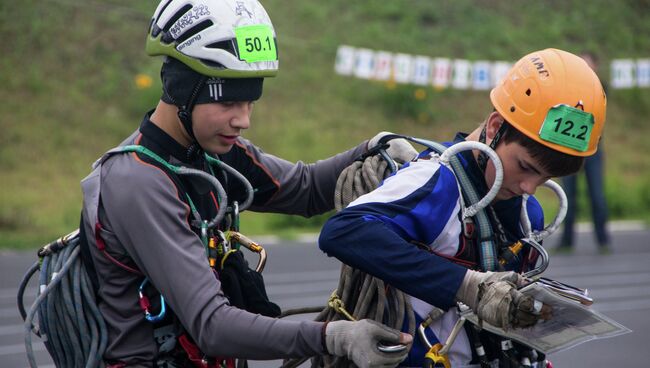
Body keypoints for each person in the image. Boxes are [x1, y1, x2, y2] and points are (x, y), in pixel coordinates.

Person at [79, 0, 414, 366]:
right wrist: (334, 336)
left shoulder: (211, 152)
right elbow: (213, 325)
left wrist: (370, 149)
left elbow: (304, 189)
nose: (243, 120)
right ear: (182, 90)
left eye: (251, 102)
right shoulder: (138, 183)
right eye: (230, 103)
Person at [319, 48, 607, 367]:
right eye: (525, 166)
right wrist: (467, 287)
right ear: (495, 128)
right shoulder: (437, 182)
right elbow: (343, 230)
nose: (529, 187)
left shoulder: (529, 211)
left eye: (546, 176)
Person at [557, 52, 611, 254]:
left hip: (592, 150)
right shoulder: (567, 89)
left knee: (597, 196)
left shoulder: (600, 89)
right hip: (570, 148)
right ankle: (566, 242)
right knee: (568, 197)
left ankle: (603, 240)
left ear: (595, 67)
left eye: (589, 65)